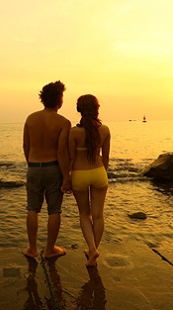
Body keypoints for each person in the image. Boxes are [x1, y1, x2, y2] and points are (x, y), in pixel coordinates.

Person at [22, 81, 71, 259]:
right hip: (53, 168)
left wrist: (32, 165)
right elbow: (62, 151)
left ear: (42, 99)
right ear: (59, 100)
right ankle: (50, 249)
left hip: (34, 167)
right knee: (54, 210)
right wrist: (66, 176)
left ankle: (32, 249)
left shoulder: (30, 119)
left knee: (32, 208)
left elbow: (26, 146)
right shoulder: (63, 122)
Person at [66, 94, 111, 266]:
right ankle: (93, 249)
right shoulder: (105, 130)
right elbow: (105, 157)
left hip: (80, 174)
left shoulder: (73, 132)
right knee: (98, 216)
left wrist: (67, 179)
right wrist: (103, 175)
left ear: (79, 109)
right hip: (99, 172)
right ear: (97, 109)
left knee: (85, 214)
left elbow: (70, 159)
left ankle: (92, 250)